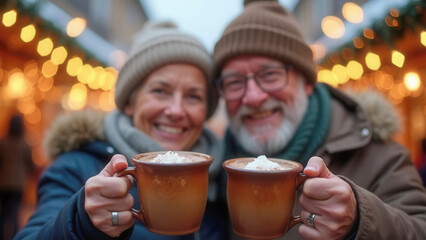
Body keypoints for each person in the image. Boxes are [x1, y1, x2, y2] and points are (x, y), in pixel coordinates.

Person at [213, 0, 426, 239]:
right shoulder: (217, 164)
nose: (252, 97)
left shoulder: (378, 155)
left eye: (270, 74)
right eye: (233, 82)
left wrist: (359, 219)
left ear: (306, 82)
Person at [15, 21, 227, 240]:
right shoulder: (76, 169)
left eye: (193, 96)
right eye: (160, 91)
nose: (176, 110)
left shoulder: (224, 177)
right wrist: (81, 223)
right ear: (129, 102)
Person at [0, 115, 34, 240]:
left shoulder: (3, 142)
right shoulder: (24, 144)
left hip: (3, 183)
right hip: (18, 184)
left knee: (4, 212)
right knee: (14, 212)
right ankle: (15, 236)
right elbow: (30, 164)